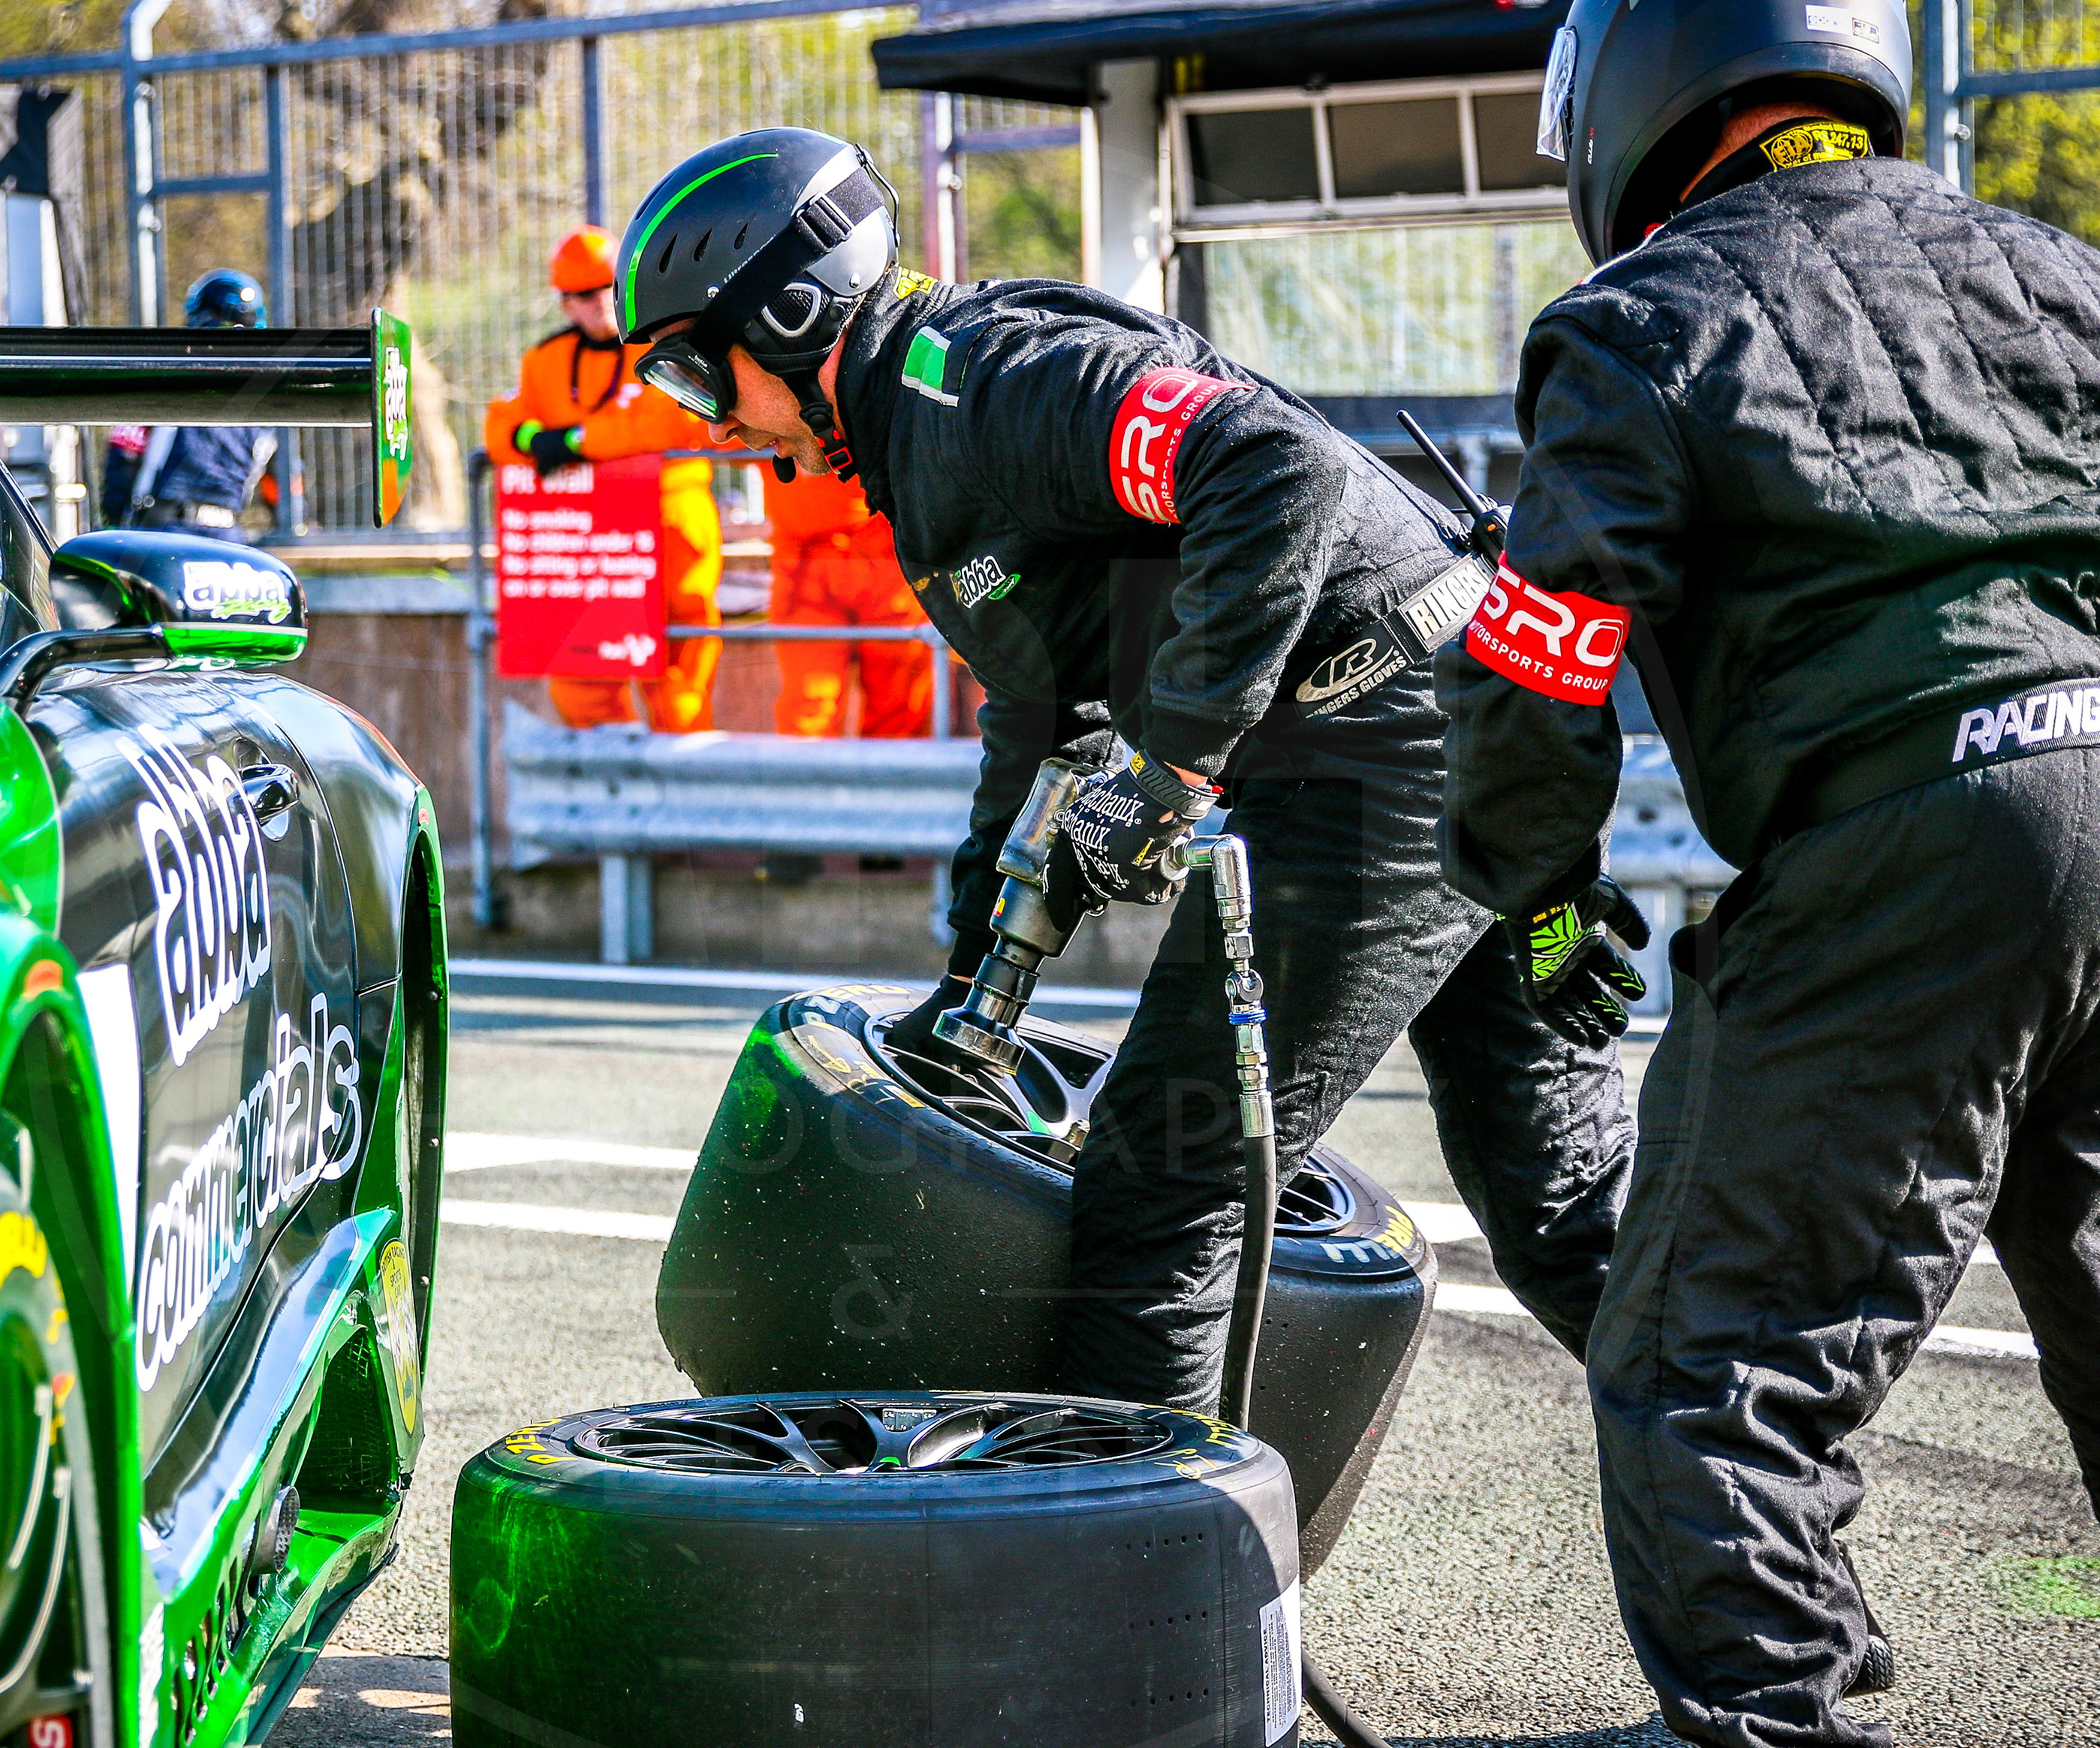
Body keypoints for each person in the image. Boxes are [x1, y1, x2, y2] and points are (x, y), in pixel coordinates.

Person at [1439, 2, 2100, 1748]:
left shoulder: (1638, 320)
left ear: (1632, 103)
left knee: (1704, 1351)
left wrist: (1541, 889)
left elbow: (1536, 659)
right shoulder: (2063, 270)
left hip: (1931, 823)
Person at [616, 127, 1638, 1408]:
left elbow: (1274, 466)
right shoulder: (921, 434)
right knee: (1567, 1218)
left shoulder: (986, 381)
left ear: (790, 313)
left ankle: (1153, 1538)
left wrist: (1170, 769)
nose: (709, 425)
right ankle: (1755, 1456)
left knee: (1161, 1189)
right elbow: (1044, 714)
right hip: (1454, 721)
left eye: (695, 380)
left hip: (1386, 742)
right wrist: (967, 988)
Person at [484, 225, 725, 731]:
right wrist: (534, 439)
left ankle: (683, 774)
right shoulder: (545, 361)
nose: (597, 302)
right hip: (593, 547)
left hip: (672, 529)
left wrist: (573, 442)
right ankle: (609, 776)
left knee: (680, 685)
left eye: (604, 288)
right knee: (581, 683)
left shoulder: (669, 343)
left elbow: (669, 423)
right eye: (582, 294)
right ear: (565, 304)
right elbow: (500, 426)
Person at [104, 270, 278, 541]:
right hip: (228, 537)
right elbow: (283, 487)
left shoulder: (164, 379)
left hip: (163, 532)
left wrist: (114, 522)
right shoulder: (268, 400)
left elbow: (124, 456)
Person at [763, 463, 931, 737]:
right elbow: (719, 439)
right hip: (808, 565)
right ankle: (805, 768)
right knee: (808, 712)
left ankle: (893, 769)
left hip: (885, 554)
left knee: (899, 708)